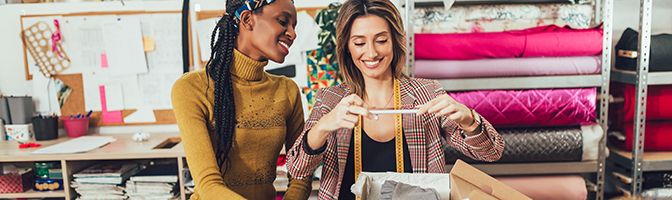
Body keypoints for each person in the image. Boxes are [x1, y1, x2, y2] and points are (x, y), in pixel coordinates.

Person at [286, 0, 505, 199]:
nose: (371, 53)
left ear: (395, 41)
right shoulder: (331, 100)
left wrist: (469, 120)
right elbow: (297, 169)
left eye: (381, 40)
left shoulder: (427, 93)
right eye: (359, 43)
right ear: (347, 47)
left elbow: (491, 153)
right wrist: (323, 127)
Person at [171, 0, 311, 199]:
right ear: (247, 19)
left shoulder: (287, 90)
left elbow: (300, 173)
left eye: (294, 26)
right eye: (283, 21)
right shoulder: (193, 88)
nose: (293, 33)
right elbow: (208, 184)